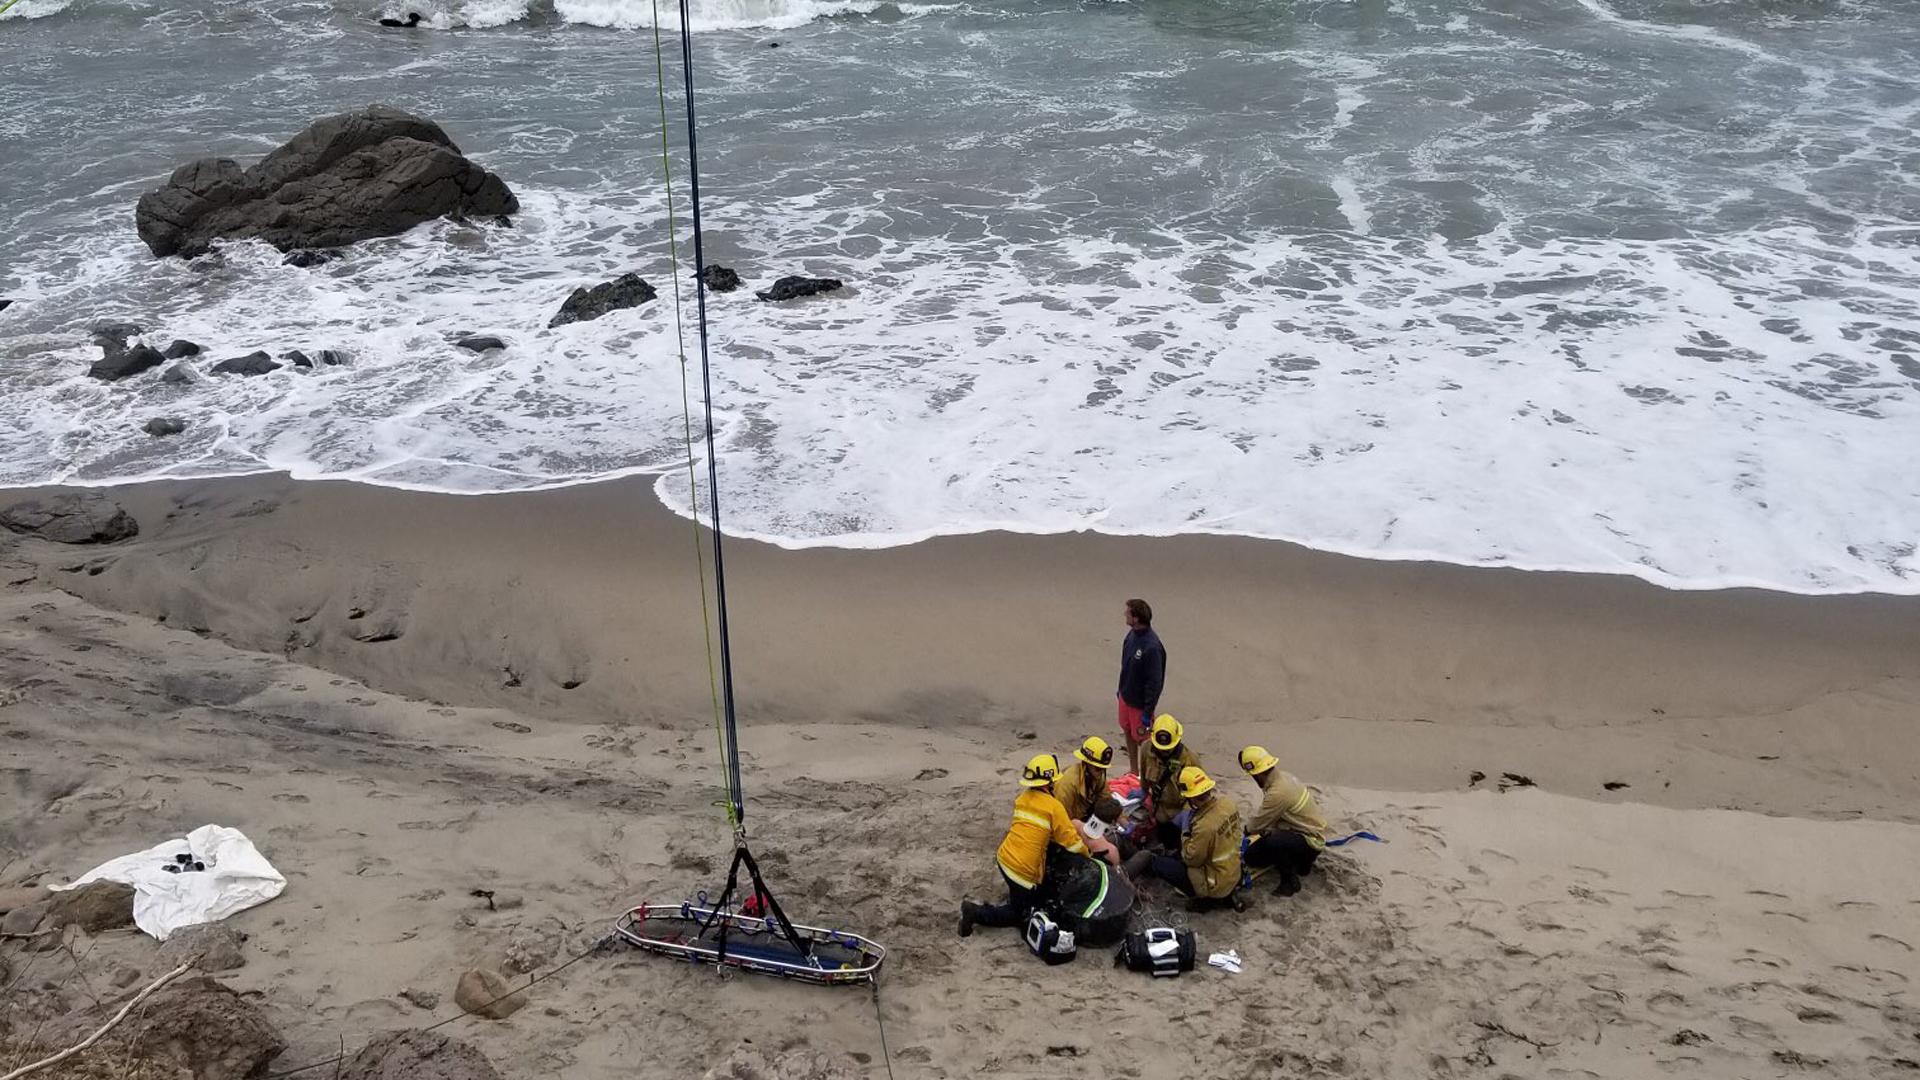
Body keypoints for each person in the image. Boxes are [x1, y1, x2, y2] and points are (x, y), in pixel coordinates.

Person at [958, 754, 1090, 937]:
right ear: (1049, 783)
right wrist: (1088, 854)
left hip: (1004, 858)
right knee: (1019, 913)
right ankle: (976, 913)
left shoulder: (1022, 799)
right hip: (1023, 872)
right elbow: (1072, 843)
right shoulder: (1054, 806)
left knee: (1026, 892)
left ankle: (1017, 894)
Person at [1122, 766, 1243, 912]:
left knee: (1150, 859)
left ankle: (1206, 900)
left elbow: (1191, 859)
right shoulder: (1228, 804)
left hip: (1212, 882)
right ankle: (1225, 894)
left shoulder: (1204, 826)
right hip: (1233, 873)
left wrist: (1185, 833)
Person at [1238, 745, 1327, 896]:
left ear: (1257, 774)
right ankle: (1301, 864)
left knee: (1270, 845)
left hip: (1309, 840)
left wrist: (1246, 832)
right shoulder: (1283, 777)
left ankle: (1289, 882)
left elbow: (1255, 825)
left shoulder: (1277, 792)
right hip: (1304, 832)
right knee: (1256, 854)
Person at [1116, 599, 1166, 775]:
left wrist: (1147, 711)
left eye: (1128, 612)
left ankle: (1148, 774)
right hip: (1125, 696)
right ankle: (1134, 770)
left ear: (1136, 618)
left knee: (1144, 741)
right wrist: (1120, 690)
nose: (1125, 615)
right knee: (1127, 731)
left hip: (1140, 704)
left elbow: (1155, 682)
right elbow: (1125, 666)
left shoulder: (1152, 646)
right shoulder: (1130, 636)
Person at [1140, 714, 1201, 850]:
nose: (1165, 752)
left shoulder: (1190, 759)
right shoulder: (1146, 750)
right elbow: (1144, 779)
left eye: (1168, 749)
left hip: (1179, 814)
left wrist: (1187, 814)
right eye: (1161, 748)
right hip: (1158, 814)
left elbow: (1200, 793)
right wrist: (1143, 797)